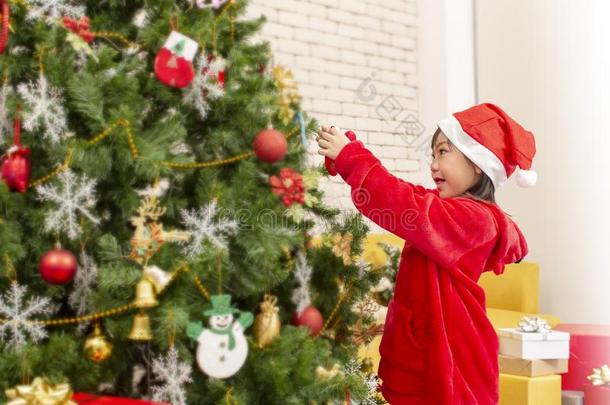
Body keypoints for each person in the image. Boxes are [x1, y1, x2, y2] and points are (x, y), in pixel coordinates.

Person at [316, 103, 536, 404]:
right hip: (420, 350)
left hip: (450, 358)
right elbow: (406, 193)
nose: (433, 163)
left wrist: (352, 159)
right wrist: (347, 160)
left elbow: (403, 205)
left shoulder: (474, 220)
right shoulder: (449, 209)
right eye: (433, 154)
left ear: (477, 163)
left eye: (443, 152)